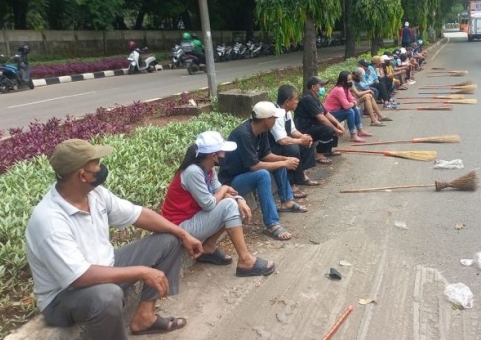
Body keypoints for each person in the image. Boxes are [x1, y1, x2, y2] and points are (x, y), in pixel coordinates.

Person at [25, 139, 203, 339]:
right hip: (64, 296)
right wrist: (143, 271)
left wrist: (183, 234)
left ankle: (145, 318)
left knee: (169, 240)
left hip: (105, 267)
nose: (102, 168)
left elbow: (139, 215)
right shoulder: (49, 220)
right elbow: (79, 277)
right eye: (97, 165)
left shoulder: (95, 194)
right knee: (108, 296)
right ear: (82, 175)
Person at [161, 131, 275, 277]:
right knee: (228, 206)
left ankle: (208, 246)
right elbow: (210, 203)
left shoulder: (208, 169)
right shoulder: (193, 172)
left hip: (193, 219)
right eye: (222, 151)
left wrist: (239, 199)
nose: (224, 155)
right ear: (212, 155)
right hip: (180, 227)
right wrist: (226, 189)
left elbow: (218, 191)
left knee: (232, 204)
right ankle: (246, 261)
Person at [218, 101, 308, 241]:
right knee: (263, 174)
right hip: (231, 182)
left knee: (279, 164)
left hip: (247, 174)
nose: (276, 120)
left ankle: (287, 201)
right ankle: (271, 224)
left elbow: (266, 155)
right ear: (267, 120)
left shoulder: (262, 131)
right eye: (274, 118)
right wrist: (284, 162)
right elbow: (254, 166)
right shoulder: (243, 134)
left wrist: (285, 159)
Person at [270, 85, 319, 198]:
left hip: (284, 142)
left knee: (307, 141)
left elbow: (293, 130)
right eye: (295, 99)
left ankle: (301, 175)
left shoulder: (287, 112)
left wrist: (303, 137)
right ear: (287, 101)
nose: (297, 101)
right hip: (274, 147)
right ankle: (291, 184)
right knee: (293, 148)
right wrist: (300, 141)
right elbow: (282, 140)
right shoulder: (276, 114)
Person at [294, 76, 345, 165]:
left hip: (313, 126)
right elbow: (321, 119)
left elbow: (326, 113)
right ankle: (319, 154)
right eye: (320, 85)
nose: (322, 88)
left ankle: (328, 150)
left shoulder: (315, 98)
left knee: (334, 122)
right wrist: (335, 129)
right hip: (304, 129)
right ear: (313, 87)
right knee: (328, 129)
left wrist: (337, 124)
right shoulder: (308, 99)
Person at [323, 71, 374, 142]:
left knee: (355, 109)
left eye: (351, 79)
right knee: (350, 112)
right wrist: (353, 103)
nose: (351, 82)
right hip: (330, 113)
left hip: (338, 110)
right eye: (349, 80)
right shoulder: (339, 89)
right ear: (343, 81)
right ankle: (353, 135)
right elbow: (346, 106)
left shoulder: (346, 89)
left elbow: (353, 100)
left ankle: (360, 130)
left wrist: (353, 103)